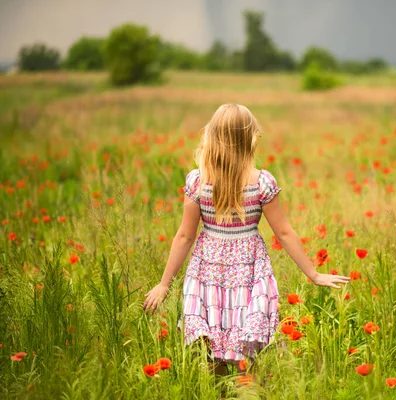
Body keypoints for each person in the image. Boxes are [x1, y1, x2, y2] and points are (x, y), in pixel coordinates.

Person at [142, 103, 351, 386]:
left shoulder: (198, 181)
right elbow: (285, 233)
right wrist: (312, 274)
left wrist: (164, 283)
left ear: (212, 137)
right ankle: (246, 392)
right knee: (245, 354)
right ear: (249, 139)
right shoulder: (261, 182)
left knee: (212, 353)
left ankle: (223, 393)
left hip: (209, 272)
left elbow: (185, 236)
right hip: (248, 269)